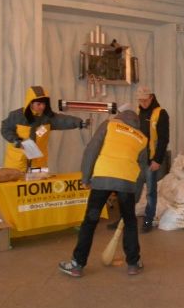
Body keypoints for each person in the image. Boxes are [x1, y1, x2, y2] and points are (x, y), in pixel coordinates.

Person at [59, 104, 148, 277]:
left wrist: (85, 177)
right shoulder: (142, 138)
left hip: (102, 178)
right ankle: (133, 264)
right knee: (130, 222)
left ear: (120, 116)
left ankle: (77, 265)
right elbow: (142, 170)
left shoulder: (109, 125)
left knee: (90, 221)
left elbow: (91, 150)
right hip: (126, 183)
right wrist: (135, 196)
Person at [0, 86, 89, 172]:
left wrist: (80, 123)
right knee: (14, 182)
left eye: (44, 104)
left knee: (40, 182)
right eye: (38, 104)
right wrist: (16, 141)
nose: (42, 107)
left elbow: (64, 120)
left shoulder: (48, 118)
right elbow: (5, 129)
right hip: (16, 163)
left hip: (39, 163)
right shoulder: (16, 116)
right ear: (30, 103)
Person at [135, 86, 170, 233]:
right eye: (140, 101)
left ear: (151, 97)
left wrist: (157, 160)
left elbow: (163, 139)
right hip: (137, 159)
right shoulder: (137, 113)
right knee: (132, 189)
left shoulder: (160, 113)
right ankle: (125, 218)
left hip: (151, 159)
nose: (143, 103)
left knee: (150, 191)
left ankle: (148, 219)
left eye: (145, 100)